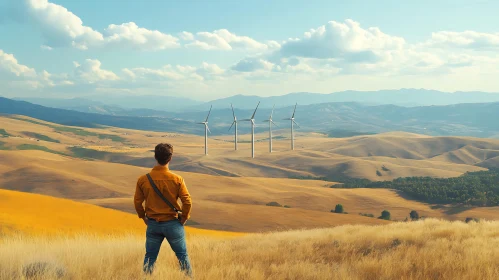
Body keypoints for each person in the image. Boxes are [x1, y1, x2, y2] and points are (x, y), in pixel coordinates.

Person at [134, 143, 193, 276]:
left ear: (155, 157)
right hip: (173, 223)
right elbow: (187, 201)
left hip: (153, 224)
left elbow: (137, 202)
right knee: (182, 256)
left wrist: (143, 216)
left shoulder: (143, 180)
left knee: (150, 258)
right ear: (170, 158)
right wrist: (184, 218)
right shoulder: (177, 179)